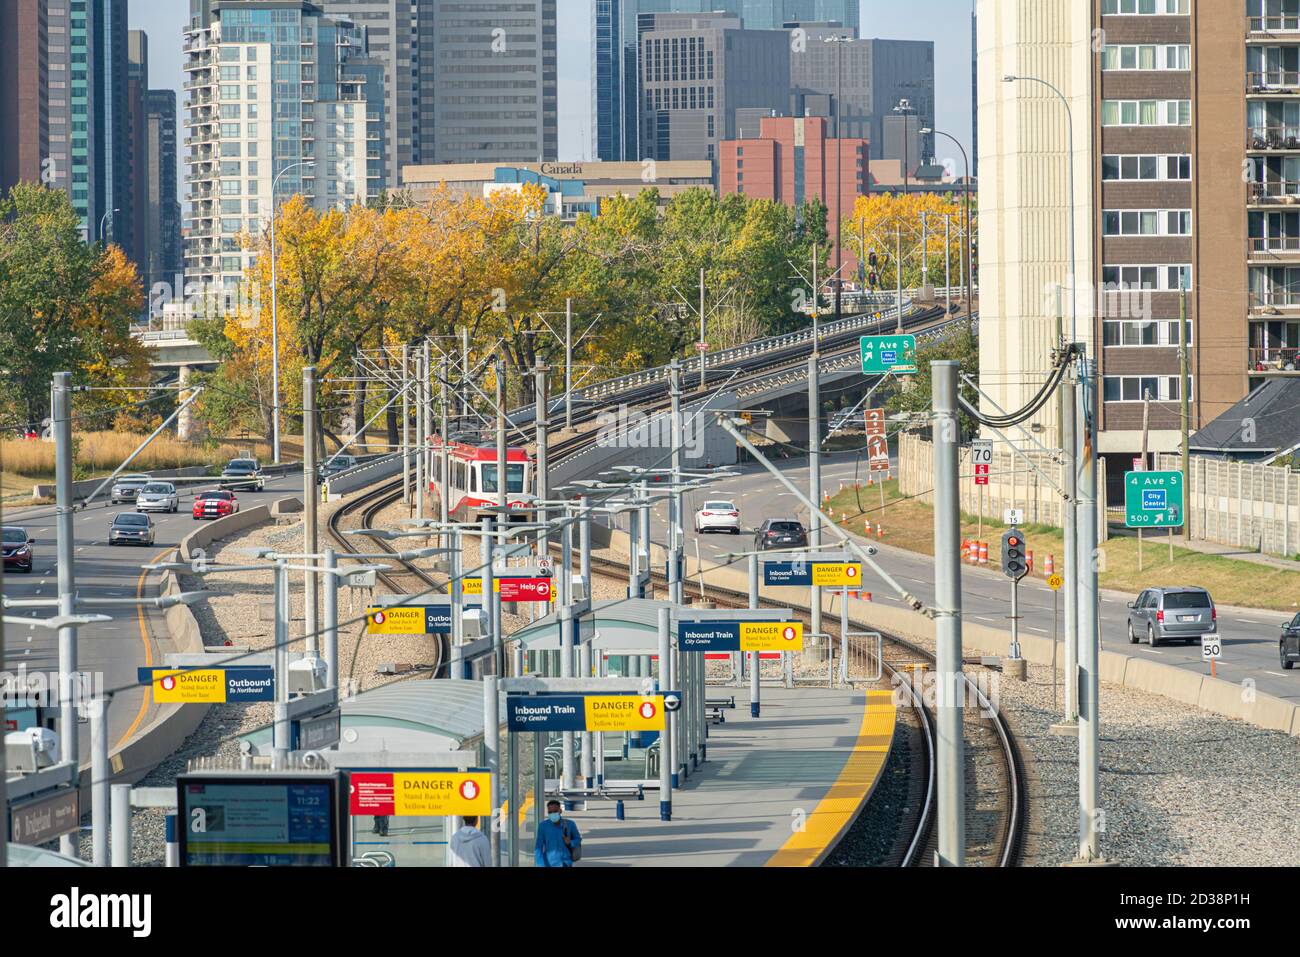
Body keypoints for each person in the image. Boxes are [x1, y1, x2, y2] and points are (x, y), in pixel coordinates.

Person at [534, 800, 582, 867]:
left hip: (565, 863)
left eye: (555, 811)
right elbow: (538, 847)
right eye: (550, 812)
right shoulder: (543, 826)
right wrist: (541, 864)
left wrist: (570, 842)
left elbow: (578, 839)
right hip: (549, 863)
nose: (552, 814)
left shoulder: (570, 824)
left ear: (560, 811)